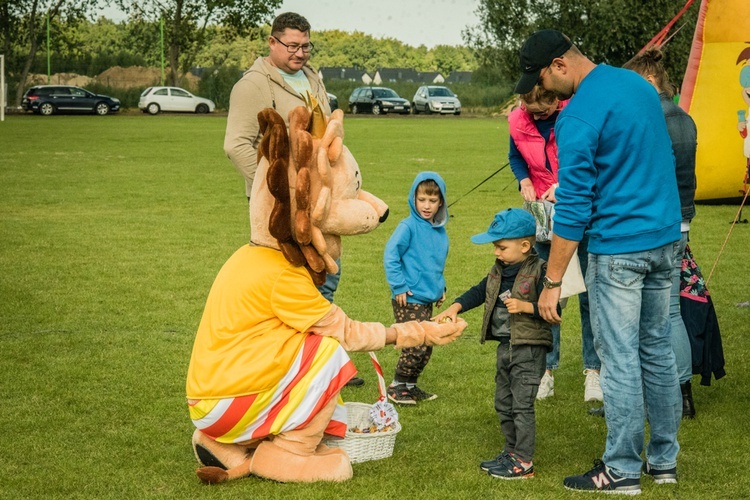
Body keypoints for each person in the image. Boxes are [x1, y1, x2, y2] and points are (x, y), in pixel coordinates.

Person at [516, 30, 682, 494]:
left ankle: (622, 469)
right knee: (657, 351)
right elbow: (656, 159)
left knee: (620, 358)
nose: (544, 91)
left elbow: (572, 212)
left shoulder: (578, 117)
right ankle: (663, 462)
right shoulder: (636, 85)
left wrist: (552, 282)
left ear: (560, 64)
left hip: (618, 250)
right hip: (665, 239)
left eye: (543, 79)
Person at [223, 12, 354, 382]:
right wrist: (279, 191)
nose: (300, 53)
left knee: (326, 274)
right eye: (292, 46)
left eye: (306, 45)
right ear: (272, 42)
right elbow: (236, 146)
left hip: (320, 204)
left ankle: (321, 362)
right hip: (285, 212)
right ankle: (296, 367)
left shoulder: (312, 77)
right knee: (295, 283)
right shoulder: (252, 85)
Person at [433, 209, 552, 480]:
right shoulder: (499, 270)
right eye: (495, 247)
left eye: (501, 247)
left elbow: (554, 306)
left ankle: (524, 462)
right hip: (506, 346)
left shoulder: (542, 270)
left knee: (521, 405)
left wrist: (526, 306)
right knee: (503, 402)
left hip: (529, 348)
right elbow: (480, 290)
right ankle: (511, 452)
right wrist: (455, 307)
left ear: (524, 246)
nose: (496, 252)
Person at [508, 85, 602, 403]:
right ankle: (546, 370)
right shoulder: (518, 121)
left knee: (589, 294)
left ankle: (595, 372)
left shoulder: (577, 114)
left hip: (581, 210)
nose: (537, 116)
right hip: (544, 219)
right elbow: (516, 156)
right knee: (550, 295)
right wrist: (524, 180)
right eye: (531, 111)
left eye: (543, 110)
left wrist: (564, 186)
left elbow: (594, 158)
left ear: (555, 99)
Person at [623, 48, 698, 418]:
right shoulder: (685, 118)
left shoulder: (653, 118)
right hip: (682, 220)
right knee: (669, 312)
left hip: (659, 223)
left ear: (648, 79)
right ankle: (682, 394)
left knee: (656, 314)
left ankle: (666, 394)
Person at [384, 172, 449, 404]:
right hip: (408, 297)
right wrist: (399, 285)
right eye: (422, 200)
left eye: (432, 201)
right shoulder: (408, 226)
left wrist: (441, 287)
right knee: (415, 343)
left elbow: (434, 262)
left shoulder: (439, 230)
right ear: (414, 198)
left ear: (441, 201)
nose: (427, 206)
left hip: (427, 297)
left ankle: (410, 386)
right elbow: (391, 256)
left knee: (427, 344)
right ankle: (396, 387)